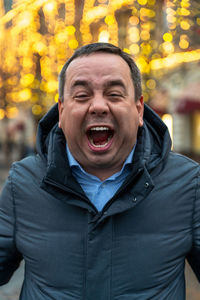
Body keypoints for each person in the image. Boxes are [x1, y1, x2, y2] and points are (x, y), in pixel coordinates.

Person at [0, 42, 199, 300]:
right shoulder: (23, 183)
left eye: (114, 94)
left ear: (139, 109)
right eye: (82, 96)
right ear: (61, 111)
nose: (98, 106)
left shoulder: (188, 183)